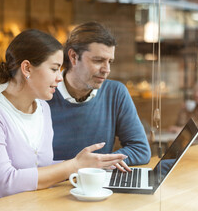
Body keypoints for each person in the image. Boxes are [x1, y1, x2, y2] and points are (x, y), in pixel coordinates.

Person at [0, 29, 129, 207]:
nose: (59, 78)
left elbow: (42, 167)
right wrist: (74, 165)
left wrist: (89, 164)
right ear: (27, 68)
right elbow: (6, 183)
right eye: (54, 69)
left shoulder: (43, 109)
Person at [47, 21, 151, 166]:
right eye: (98, 60)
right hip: (53, 186)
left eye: (110, 62)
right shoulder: (44, 95)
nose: (106, 69)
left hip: (98, 185)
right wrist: (79, 166)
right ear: (73, 57)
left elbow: (140, 150)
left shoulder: (115, 93)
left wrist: (97, 164)